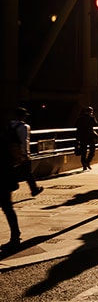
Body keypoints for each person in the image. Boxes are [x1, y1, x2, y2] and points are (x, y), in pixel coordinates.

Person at [8, 107, 44, 196]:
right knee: (28, 172)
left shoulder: (9, 124)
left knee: (12, 170)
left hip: (9, 152)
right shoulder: (24, 127)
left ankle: (13, 186)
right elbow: (24, 141)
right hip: (19, 153)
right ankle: (34, 189)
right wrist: (26, 154)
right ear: (23, 116)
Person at [1, 121, 22, 251]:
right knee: (7, 206)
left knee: (7, 206)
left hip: (3, 175)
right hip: (7, 174)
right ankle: (15, 235)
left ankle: (15, 235)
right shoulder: (9, 131)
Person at [75, 106, 98, 171]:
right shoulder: (91, 118)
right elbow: (96, 124)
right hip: (90, 136)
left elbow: (76, 126)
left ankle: (84, 165)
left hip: (82, 137)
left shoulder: (80, 119)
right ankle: (88, 162)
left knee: (83, 152)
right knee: (92, 151)